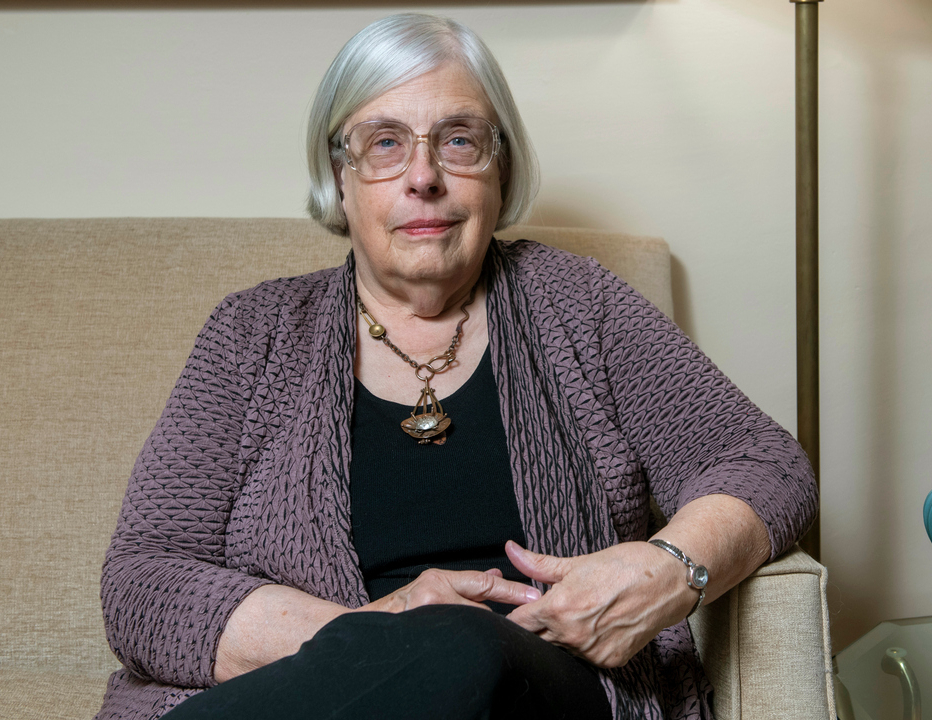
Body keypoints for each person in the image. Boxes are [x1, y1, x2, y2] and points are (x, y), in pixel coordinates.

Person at [97, 13, 816, 720]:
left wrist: (668, 569)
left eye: (459, 140)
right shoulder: (252, 336)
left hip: (544, 687)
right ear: (340, 177)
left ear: (501, 167)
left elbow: (765, 463)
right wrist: (379, 631)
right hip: (313, 697)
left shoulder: (580, 305)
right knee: (441, 644)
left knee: (464, 644)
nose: (424, 176)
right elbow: (142, 582)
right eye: (385, 143)